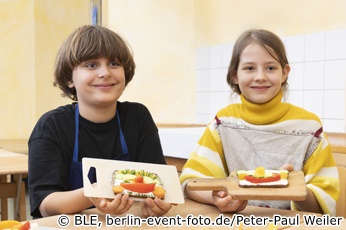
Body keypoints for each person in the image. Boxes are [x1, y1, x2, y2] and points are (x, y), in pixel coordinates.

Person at [180, 29, 339, 215]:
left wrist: (295, 189)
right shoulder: (222, 123)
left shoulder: (310, 128)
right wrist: (217, 198)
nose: (260, 76)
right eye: (249, 68)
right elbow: (191, 182)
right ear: (234, 75)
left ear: (285, 73)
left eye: (270, 68)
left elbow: (324, 203)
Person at [28, 25, 172, 218]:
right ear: (69, 78)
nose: (105, 72)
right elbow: (46, 205)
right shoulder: (51, 126)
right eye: (91, 65)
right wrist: (98, 193)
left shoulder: (138, 117)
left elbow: (160, 184)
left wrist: (157, 205)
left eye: (114, 63)